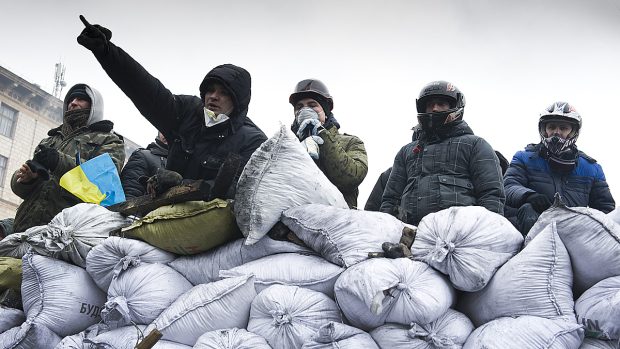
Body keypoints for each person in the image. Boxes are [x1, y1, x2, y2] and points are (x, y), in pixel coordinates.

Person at [77, 15, 267, 199]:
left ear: (238, 101)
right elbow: (145, 90)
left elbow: (240, 193)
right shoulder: (188, 112)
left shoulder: (253, 141)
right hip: (160, 216)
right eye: (210, 90)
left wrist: (182, 185)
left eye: (224, 93)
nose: (214, 97)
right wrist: (106, 51)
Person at [380, 80, 505, 225]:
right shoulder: (406, 151)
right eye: (429, 105)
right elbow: (390, 199)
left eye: (441, 103)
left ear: (455, 107)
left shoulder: (476, 145)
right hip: (411, 234)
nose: (434, 109)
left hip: (461, 233)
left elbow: (491, 195)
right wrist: (387, 229)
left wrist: (486, 230)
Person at [8, 83, 125, 233]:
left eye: (81, 99)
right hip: (25, 228)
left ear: (95, 106)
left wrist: (59, 162)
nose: (73, 103)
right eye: (71, 100)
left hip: (67, 232)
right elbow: (23, 191)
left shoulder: (109, 140)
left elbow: (103, 183)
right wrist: (27, 179)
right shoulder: (49, 141)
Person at [504, 101, 615, 234]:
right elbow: (508, 186)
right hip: (530, 230)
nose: (556, 132)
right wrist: (529, 196)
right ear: (544, 129)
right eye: (551, 127)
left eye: (563, 128)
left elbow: (606, 209)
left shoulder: (592, 168)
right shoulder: (523, 158)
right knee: (528, 209)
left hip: (574, 233)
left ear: (573, 132)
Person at [289, 79, 368, 208]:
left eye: (312, 105)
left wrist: (322, 136)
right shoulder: (288, 144)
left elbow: (352, 178)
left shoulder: (352, 142)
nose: (305, 110)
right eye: (299, 107)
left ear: (325, 111)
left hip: (337, 221)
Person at [121, 132, 169, 199]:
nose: (166, 134)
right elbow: (130, 193)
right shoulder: (143, 156)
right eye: (162, 131)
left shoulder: (185, 164)